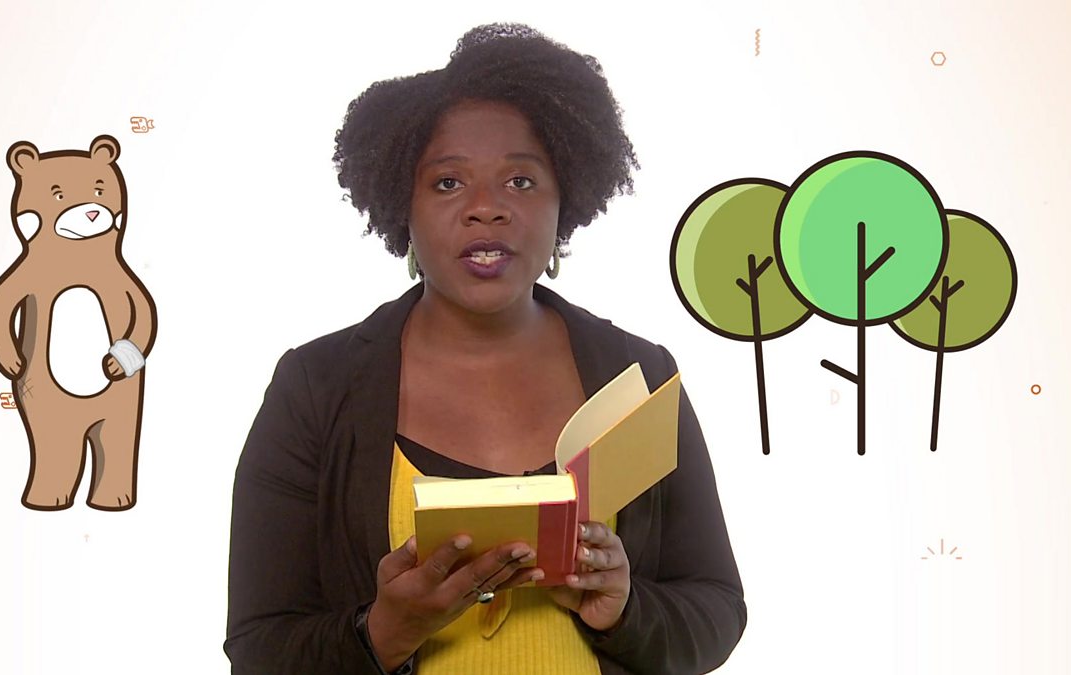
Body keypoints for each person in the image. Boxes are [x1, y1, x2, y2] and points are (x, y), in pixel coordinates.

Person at [225, 23, 747, 675]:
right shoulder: (315, 388)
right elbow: (259, 648)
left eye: (521, 181)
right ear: (402, 205)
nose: (486, 208)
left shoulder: (638, 376)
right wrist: (382, 631)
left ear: (565, 199)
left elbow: (717, 609)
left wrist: (624, 609)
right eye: (448, 183)